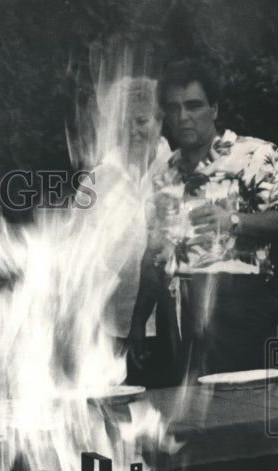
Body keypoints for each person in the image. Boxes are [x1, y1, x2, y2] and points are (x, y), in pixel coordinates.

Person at [130, 58, 278, 379]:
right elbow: (155, 254)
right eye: (173, 108)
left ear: (214, 109)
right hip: (179, 315)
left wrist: (235, 221)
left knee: (239, 412)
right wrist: (139, 320)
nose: (183, 117)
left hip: (237, 306)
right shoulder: (164, 175)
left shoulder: (255, 155)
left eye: (194, 105)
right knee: (186, 419)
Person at [77, 76, 173, 387]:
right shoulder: (97, 179)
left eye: (142, 120)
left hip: (173, 322)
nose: (134, 130)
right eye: (125, 122)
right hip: (114, 324)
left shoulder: (178, 170)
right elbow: (79, 250)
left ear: (159, 121)